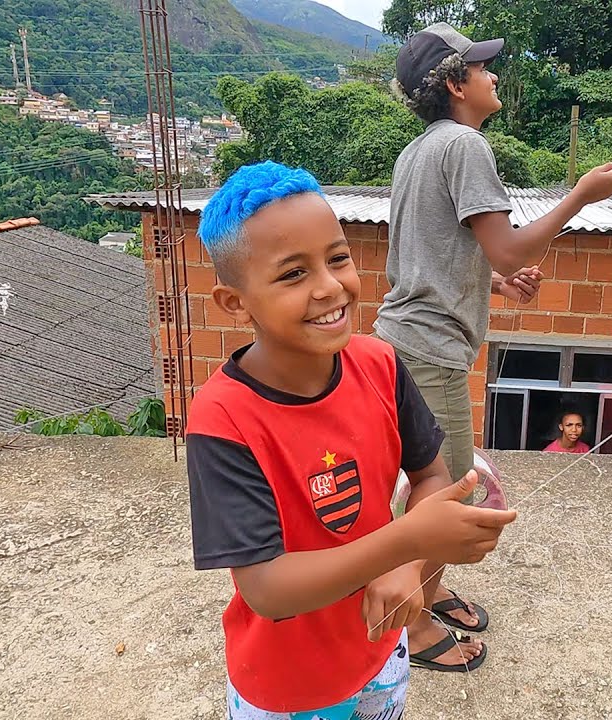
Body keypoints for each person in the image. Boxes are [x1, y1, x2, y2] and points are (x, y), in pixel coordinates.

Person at [186, 160, 518, 719]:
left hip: (381, 656)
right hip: (288, 685)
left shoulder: (380, 363)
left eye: (337, 258)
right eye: (293, 274)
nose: (328, 286)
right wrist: (406, 543)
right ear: (235, 303)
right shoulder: (223, 418)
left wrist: (410, 566)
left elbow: (431, 474)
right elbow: (266, 588)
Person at [374, 22, 612, 670]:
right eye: (483, 68)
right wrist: (582, 195)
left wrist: (493, 281)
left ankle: (426, 591)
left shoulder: (421, 150)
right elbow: (513, 243)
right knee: (447, 497)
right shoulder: (465, 145)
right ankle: (412, 627)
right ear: (456, 84)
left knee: (432, 492)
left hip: (404, 344)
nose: (494, 76)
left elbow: (426, 258)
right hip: (429, 355)